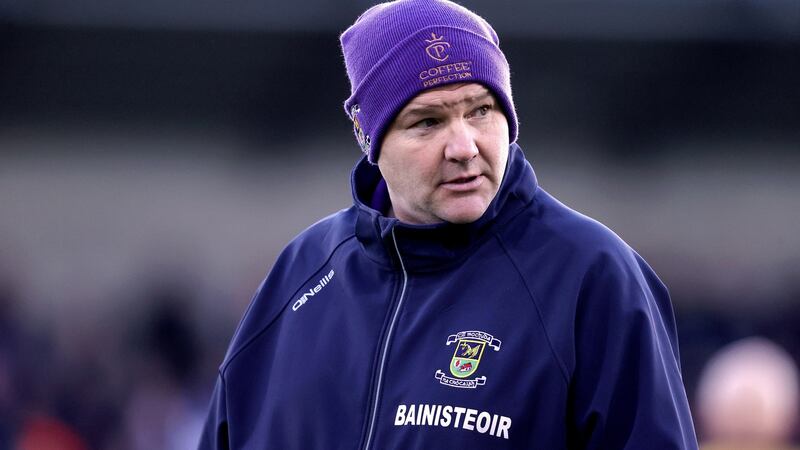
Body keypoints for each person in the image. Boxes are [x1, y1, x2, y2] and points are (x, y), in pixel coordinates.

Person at [199, 0, 698, 448]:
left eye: (481, 110)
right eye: (428, 121)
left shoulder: (593, 275)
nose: (464, 147)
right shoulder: (301, 276)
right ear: (368, 136)